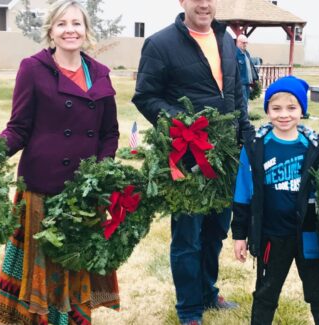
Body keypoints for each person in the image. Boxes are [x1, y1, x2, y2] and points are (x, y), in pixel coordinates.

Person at [0, 1, 120, 324]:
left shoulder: (100, 75)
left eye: (76, 24)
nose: (70, 30)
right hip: (42, 190)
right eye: (62, 24)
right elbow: (18, 128)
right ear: (50, 30)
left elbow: (110, 134)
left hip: (83, 195)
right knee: (41, 277)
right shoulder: (33, 69)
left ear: (86, 31)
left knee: (75, 270)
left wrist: (99, 173)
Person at [132, 0, 254, 324]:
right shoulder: (160, 44)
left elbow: (236, 94)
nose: (204, 3)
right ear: (182, 1)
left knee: (216, 230)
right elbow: (145, 97)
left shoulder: (225, 39)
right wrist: (184, 122)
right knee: (188, 235)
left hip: (226, 157)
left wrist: (247, 135)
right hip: (187, 158)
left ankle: (207, 294)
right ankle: (188, 309)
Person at [231, 76, 319, 325]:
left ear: (302, 110)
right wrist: (239, 235)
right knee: (266, 293)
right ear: (267, 110)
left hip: (308, 235)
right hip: (271, 235)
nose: (284, 115)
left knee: (318, 292)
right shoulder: (255, 146)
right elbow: (243, 192)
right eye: (276, 108)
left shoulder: (317, 146)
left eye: (292, 108)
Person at [236, 34, 259, 108]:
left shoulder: (247, 53)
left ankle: (245, 117)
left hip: (248, 83)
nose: (245, 44)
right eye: (243, 42)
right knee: (243, 103)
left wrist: (252, 81)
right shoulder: (235, 54)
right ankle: (244, 119)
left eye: (246, 43)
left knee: (246, 102)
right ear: (238, 42)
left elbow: (250, 68)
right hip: (241, 83)